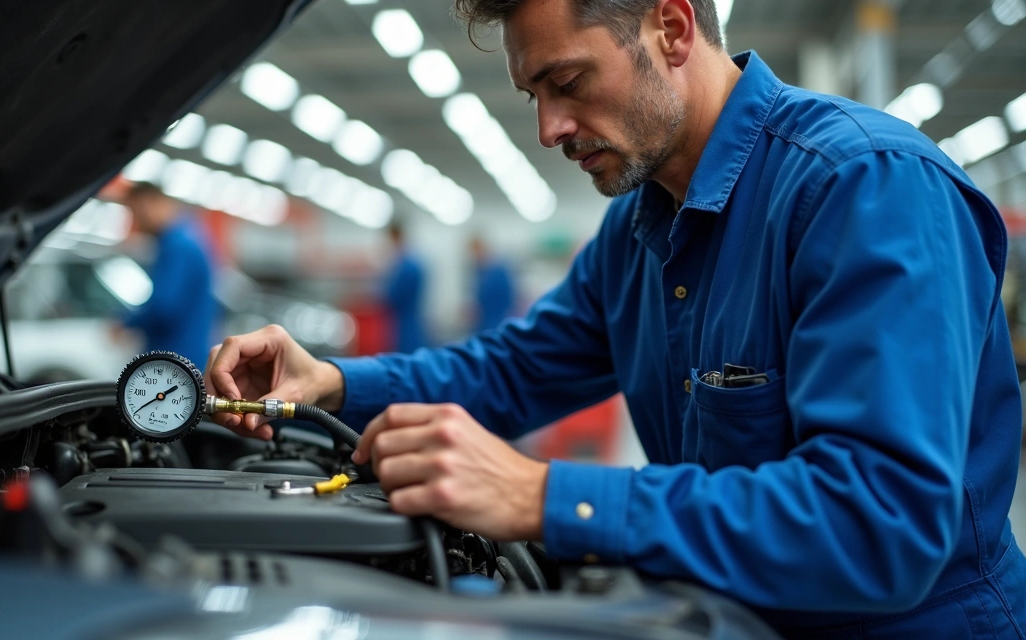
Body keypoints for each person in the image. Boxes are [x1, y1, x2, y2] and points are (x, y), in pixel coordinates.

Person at [205, 0, 1026, 637]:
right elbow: (518, 369)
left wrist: (549, 496)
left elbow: (879, 523)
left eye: (567, 83)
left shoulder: (863, 189)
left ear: (671, 28)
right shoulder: (639, 229)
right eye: (534, 95)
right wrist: (332, 383)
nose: (548, 128)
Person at [120, 182, 218, 369]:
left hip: (175, 360)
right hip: (186, 356)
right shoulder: (187, 238)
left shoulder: (178, 247)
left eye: (135, 212)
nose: (135, 222)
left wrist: (127, 323)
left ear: (150, 203)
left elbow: (164, 307)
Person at [381, 222, 429, 353]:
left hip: (404, 326)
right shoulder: (413, 263)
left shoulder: (406, 267)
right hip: (410, 323)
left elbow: (392, 296)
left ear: (395, 237)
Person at [470, 236, 517, 333]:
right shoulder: (482, 273)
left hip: (496, 323)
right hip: (485, 324)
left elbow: (509, 300)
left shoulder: (498, 273)